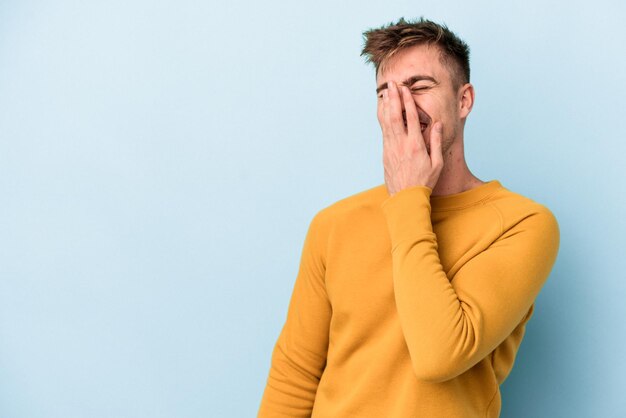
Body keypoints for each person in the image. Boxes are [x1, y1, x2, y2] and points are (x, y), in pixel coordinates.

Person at [257, 16, 560, 418]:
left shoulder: (523, 224)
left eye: (419, 86)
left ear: (464, 100)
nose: (401, 105)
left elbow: (440, 354)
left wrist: (408, 197)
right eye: (386, 93)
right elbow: (294, 375)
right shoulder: (333, 225)